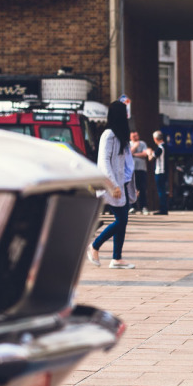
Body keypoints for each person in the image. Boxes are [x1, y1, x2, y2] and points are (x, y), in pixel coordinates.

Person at [87, 97, 136, 269]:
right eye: (125, 113)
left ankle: (117, 258)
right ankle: (94, 246)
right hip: (112, 185)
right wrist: (113, 185)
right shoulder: (108, 135)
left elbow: (127, 164)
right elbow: (104, 162)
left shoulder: (120, 136)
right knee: (121, 220)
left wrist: (129, 186)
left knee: (122, 219)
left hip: (120, 185)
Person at [149, 129, 169, 215]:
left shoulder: (160, 148)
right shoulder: (165, 147)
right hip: (164, 171)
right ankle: (163, 208)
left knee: (161, 191)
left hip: (160, 171)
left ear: (155, 139)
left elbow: (151, 158)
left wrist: (149, 152)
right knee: (163, 190)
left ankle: (163, 209)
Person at [130, 130, 150, 214]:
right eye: (134, 136)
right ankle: (132, 207)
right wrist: (135, 147)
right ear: (130, 137)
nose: (136, 137)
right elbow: (128, 153)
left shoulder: (142, 143)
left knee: (142, 188)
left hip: (141, 169)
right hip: (131, 170)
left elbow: (145, 154)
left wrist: (134, 155)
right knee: (132, 189)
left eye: (137, 136)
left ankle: (143, 207)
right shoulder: (128, 144)